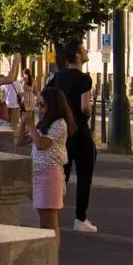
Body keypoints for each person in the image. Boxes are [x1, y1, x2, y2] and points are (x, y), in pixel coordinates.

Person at [16, 86, 75, 265]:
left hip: (50, 174)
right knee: (43, 222)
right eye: (38, 103)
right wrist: (23, 123)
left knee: (50, 223)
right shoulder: (44, 123)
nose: (39, 107)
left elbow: (41, 145)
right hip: (39, 174)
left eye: (42, 103)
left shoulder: (60, 124)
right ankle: (47, 262)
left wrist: (31, 125)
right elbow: (19, 142)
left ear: (52, 104)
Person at [47, 39, 98, 233]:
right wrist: (88, 112)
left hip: (62, 132)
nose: (86, 52)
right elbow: (85, 107)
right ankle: (80, 219)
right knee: (85, 175)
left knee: (62, 175)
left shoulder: (57, 77)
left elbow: (46, 97)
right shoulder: (84, 78)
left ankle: (53, 217)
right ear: (77, 55)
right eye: (83, 49)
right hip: (80, 131)